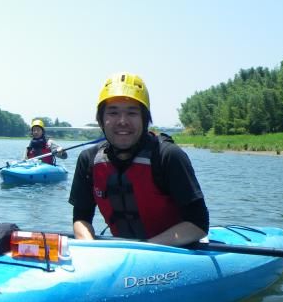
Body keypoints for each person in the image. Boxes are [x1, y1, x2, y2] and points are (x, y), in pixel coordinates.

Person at [68, 73, 208, 246]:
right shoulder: (88, 160)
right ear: (101, 120)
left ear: (145, 119)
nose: (122, 121)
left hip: (174, 251)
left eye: (132, 113)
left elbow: (198, 224)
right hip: (128, 251)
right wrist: (90, 249)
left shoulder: (168, 156)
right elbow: (81, 218)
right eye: (113, 112)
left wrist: (144, 250)